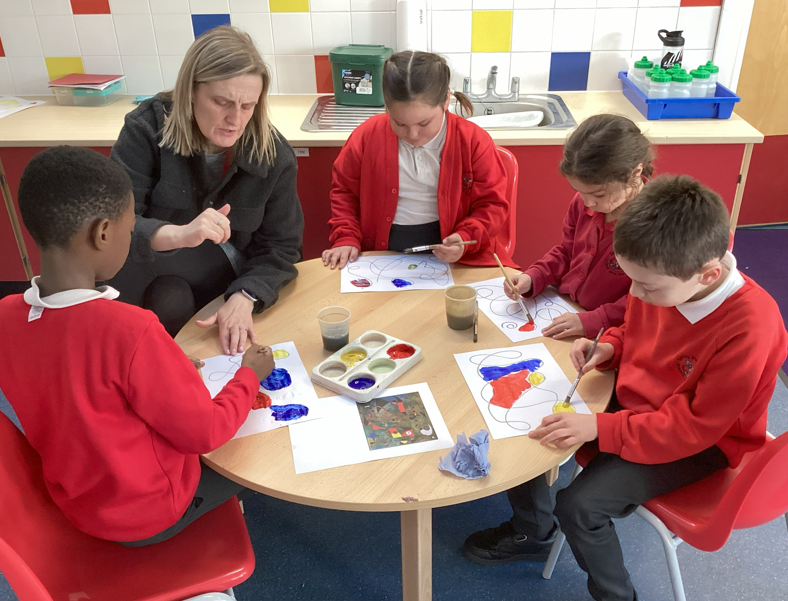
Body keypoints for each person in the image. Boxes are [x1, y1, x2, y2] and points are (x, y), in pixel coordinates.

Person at [462, 175, 788, 601]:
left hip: (700, 443)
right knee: (527, 424)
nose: (635, 293)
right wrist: (610, 346)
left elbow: (694, 428)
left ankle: (617, 596)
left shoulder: (751, 327)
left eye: (647, 286)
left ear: (708, 274)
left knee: (580, 507)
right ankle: (532, 531)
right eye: (632, 280)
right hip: (640, 407)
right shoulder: (663, 276)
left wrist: (601, 428)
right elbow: (633, 326)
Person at [0, 146, 275, 546]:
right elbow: (206, 432)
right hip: (150, 515)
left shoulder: (5, 317)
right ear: (103, 234)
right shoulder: (130, 330)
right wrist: (250, 374)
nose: (131, 239)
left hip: (77, 503)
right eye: (130, 231)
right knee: (261, 451)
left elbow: (82, 381)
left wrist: (162, 366)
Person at [110, 26, 304, 354]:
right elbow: (113, 224)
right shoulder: (145, 129)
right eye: (221, 102)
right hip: (146, 272)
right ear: (190, 92)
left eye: (248, 106)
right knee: (168, 299)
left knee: (174, 305)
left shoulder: (273, 154)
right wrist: (180, 234)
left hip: (224, 282)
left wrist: (245, 297)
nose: (235, 119)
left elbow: (282, 247)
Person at [322, 50, 515, 270]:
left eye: (424, 124)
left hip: (458, 257)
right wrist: (346, 236)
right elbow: (344, 193)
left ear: (446, 101)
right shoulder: (366, 136)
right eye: (400, 123)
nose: (413, 135)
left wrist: (466, 236)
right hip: (381, 253)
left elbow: (492, 205)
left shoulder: (473, 141)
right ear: (387, 107)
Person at [504, 114, 652, 339]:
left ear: (635, 173)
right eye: (580, 192)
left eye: (598, 194)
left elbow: (649, 298)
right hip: (565, 308)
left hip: (609, 334)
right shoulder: (583, 203)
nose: (588, 202)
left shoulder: (654, 225)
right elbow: (567, 252)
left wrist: (596, 320)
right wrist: (535, 276)